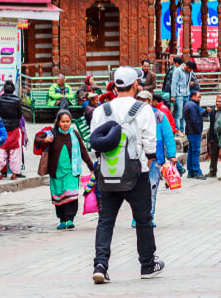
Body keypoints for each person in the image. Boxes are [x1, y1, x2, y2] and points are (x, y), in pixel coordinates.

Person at [90, 66, 163, 284]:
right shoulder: (143, 109)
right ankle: (147, 264)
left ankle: (100, 265)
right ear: (135, 85)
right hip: (136, 174)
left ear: (114, 85)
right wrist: (149, 159)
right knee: (143, 220)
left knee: (105, 220)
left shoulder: (101, 111)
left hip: (108, 173)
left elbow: (95, 143)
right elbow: (150, 141)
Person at [38, 110, 94, 230]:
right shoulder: (52, 133)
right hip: (56, 172)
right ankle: (62, 220)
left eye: (68, 121)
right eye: (62, 121)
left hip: (71, 171)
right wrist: (44, 140)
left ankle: (69, 219)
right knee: (59, 195)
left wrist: (92, 168)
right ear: (57, 122)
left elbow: (83, 151)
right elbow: (37, 140)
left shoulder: (74, 134)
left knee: (71, 195)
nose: (65, 124)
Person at [137, 90, 177, 225]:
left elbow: (168, 136)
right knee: (137, 190)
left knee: (151, 189)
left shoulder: (159, 116)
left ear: (151, 102)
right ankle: (137, 217)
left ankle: (149, 217)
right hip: (137, 158)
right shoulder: (133, 116)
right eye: (140, 100)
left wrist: (172, 155)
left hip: (156, 159)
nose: (142, 103)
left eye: (145, 101)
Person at [0, 80, 25, 180]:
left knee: (0, 151)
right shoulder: (17, 100)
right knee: (15, 152)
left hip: (1, 130)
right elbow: (20, 115)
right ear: (13, 90)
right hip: (14, 129)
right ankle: (14, 174)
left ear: (4, 89)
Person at [183, 89, 206, 179]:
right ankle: (197, 171)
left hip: (190, 131)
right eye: (198, 97)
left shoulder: (190, 104)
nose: (199, 99)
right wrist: (198, 130)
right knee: (196, 151)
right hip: (194, 132)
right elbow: (194, 119)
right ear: (193, 96)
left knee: (191, 151)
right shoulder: (192, 105)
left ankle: (191, 171)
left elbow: (198, 115)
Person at [171, 60, 196, 132]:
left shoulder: (190, 72)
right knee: (178, 114)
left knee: (184, 114)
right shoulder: (177, 71)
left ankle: (182, 130)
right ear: (187, 67)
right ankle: (178, 130)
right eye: (190, 69)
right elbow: (174, 83)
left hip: (186, 94)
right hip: (179, 95)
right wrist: (173, 95)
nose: (191, 71)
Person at [207, 94, 221, 178]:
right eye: (216, 101)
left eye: (219, 101)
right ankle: (212, 171)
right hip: (214, 136)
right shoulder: (213, 110)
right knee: (213, 154)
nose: (217, 103)